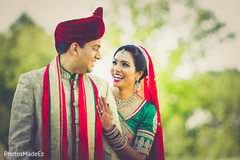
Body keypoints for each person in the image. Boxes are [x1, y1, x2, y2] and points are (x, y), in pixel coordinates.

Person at [8, 7, 121, 160]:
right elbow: (18, 151)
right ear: (75, 48)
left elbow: (111, 153)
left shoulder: (102, 88)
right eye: (95, 48)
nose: (99, 56)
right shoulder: (31, 83)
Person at [97, 45, 165, 160]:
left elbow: (139, 158)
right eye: (114, 62)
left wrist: (110, 130)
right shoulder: (100, 96)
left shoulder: (147, 110)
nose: (117, 69)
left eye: (125, 64)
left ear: (138, 74)